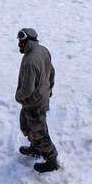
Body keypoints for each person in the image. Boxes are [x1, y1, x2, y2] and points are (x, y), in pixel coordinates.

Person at [15, 28, 60, 173]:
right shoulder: (42, 50)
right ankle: (35, 148)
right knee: (27, 125)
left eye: (21, 42)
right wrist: (50, 87)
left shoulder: (30, 61)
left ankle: (51, 160)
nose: (19, 45)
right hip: (42, 96)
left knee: (39, 133)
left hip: (35, 102)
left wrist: (18, 96)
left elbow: (27, 89)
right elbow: (51, 71)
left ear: (29, 41)